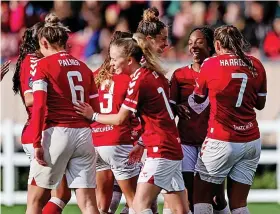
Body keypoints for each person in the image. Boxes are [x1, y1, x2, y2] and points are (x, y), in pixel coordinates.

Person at [74, 33, 189, 214]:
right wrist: (142, 143)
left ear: (128, 60)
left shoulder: (138, 79)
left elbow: (120, 119)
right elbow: (159, 116)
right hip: (168, 146)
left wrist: (93, 115)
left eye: (114, 59)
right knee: (180, 209)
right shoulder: (152, 74)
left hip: (161, 150)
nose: (110, 63)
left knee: (139, 206)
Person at [26, 13, 99, 214]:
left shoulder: (43, 65)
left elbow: (39, 106)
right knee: (89, 204)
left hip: (57, 132)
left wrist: (36, 142)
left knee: (35, 201)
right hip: (84, 135)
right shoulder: (84, 67)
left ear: (44, 42)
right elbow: (96, 108)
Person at [193, 25, 267, 214]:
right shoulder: (256, 64)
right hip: (251, 140)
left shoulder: (210, 64)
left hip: (221, 139)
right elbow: (260, 104)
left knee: (201, 198)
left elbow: (198, 98)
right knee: (240, 205)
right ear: (240, 42)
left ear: (217, 44)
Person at [12, 22, 72, 214]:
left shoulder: (42, 61)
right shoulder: (33, 60)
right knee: (40, 199)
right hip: (39, 133)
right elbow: (30, 98)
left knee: (59, 194)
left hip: (43, 131)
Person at [169, 27, 229, 214]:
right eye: (190, 43)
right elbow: (167, 110)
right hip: (186, 143)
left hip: (212, 143)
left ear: (211, 46)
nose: (193, 47)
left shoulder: (220, 73)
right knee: (191, 195)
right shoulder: (179, 75)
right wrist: (175, 107)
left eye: (199, 42)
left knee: (217, 199)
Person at [92, 30, 143, 213]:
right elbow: (133, 114)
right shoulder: (130, 76)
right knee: (137, 201)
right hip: (118, 139)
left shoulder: (96, 74)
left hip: (96, 141)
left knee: (101, 207)